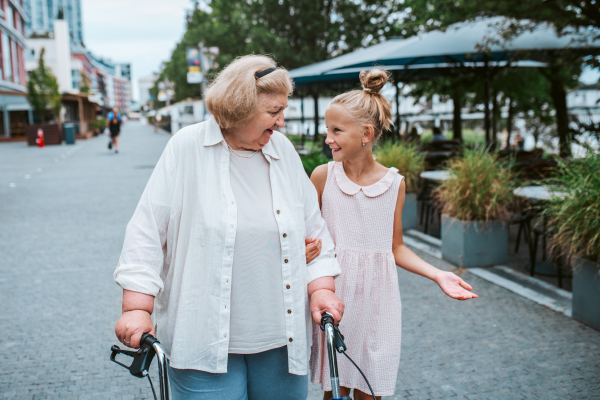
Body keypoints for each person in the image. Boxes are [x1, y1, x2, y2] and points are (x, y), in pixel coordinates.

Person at [113, 55, 344, 400]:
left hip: (281, 341)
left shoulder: (283, 152)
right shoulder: (187, 147)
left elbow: (316, 232)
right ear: (241, 106)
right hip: (202, 341)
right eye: (273, 111)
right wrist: (136, 308)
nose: (281, 121)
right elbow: (146, 233)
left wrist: (322, 288)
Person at [307, 69, 478, 400]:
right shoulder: (321, 176)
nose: (328, 138)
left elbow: (395, 247)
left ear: (366, 133)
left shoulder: (394, 184)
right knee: (335, 390)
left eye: (336, 130)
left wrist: (438, 274)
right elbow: (303, 234)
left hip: (378, 301)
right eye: (327, 130)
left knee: (372, 391)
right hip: (334, 293)